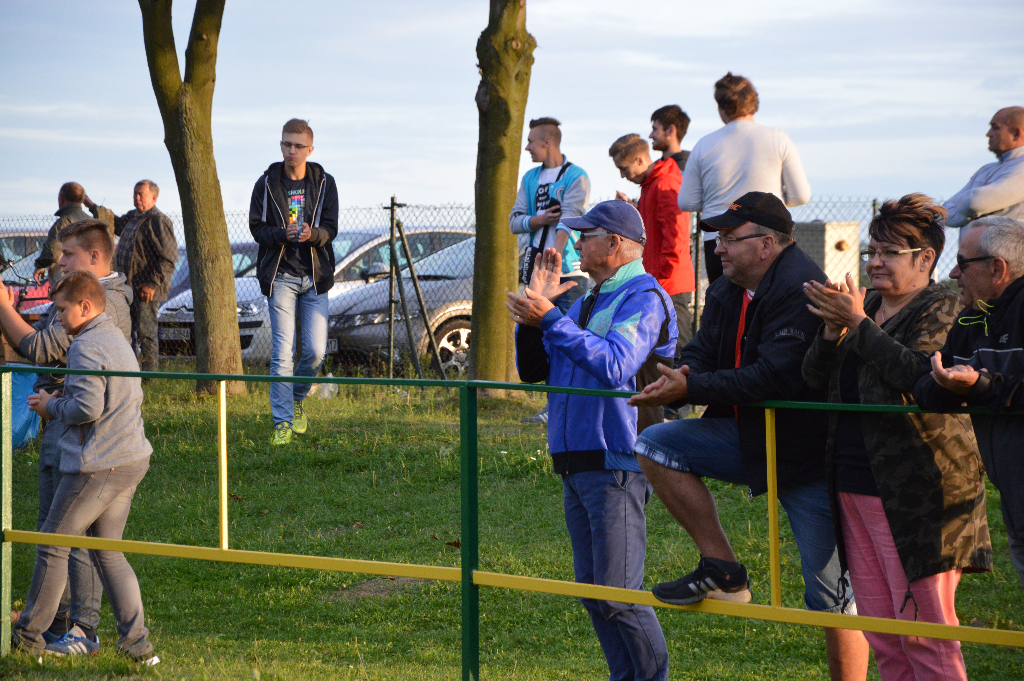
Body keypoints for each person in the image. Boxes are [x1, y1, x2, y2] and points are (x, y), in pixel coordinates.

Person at [629, 192, 869, 681]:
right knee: (655, 444)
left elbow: (777, 378)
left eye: (729, 240)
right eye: (717, 238)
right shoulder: (727, 288)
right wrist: (675, 376)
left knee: (831, 598)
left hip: (806, 455)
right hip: (750, 438)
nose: (718, 249)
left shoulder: (804, 290)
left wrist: (692, 384)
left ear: (768, 245)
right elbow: (705, 353)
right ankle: (723, 570)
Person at [802, 194, 991, 681]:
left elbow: (918, 375)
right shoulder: (860, 307)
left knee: (926, 632)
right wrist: (830, 333)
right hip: (854, 484)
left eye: (888, 252)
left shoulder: (944, 305)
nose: (875, 261)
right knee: (883, 633)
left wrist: (859, 325)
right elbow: (814, 380)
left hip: (919, 493)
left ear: (926, 258)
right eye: (871, 251)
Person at [508, 200, 674, 681]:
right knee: (594, 594)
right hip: (575, 461)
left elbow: (616, 366)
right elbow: (535, 372)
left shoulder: (644, 296)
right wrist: (532, 313)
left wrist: (552, 320)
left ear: (616, 244)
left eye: (587, 234)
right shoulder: (587, 299)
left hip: (617, 460)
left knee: (620, 596)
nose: (577, 243)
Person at [12, 270, 158, 666]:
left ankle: (28, 639)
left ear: (85, 307)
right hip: (130, 458)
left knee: (52, 542)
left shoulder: (85, 346)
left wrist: (50, 406)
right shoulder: (112, 337)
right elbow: (103, 394)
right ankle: (137, 645)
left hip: (101, 464)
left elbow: (87, 409)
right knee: (108, 552)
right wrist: (68, 392)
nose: (56, 318)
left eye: (61, 310)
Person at [0, 219, 132, 652]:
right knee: (53, 530)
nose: (60, 262)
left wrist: (4, 309)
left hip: (93, 445)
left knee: (73, 539)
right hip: (68, 431)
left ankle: (80, 629)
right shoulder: (80, 300)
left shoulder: (101, 304)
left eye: (70, 254)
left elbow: (40, 349)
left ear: (95, 257)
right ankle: (55, 620)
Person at [914, 216, 1024, 591]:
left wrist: (979, 386)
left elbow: (991, 389)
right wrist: (951, 386)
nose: (953, 274)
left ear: (997, 269)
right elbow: (926, 390)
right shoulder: (972, 318)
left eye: (963, 263)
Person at [249, 118, 339, 446]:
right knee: (281, 352)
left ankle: (298, 397)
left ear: (310, 149)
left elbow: (331, 228)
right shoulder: (266, 183)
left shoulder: (325, 183)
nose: (292, 151)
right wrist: (280, 234)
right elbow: (256, 227)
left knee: (315, 352)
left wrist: (312, 235)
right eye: (287, 144)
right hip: (281, 277)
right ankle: (282, 423)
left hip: (315, 279)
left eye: (299, 146)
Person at [678, 72, 811, 284]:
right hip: (765, 241)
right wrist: (769, 206)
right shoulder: (778, 139)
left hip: (719, 241)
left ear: (721, 108)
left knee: (725, 309)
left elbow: (686, 201)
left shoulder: (704, 144)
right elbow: (801, 195)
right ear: (754, 103)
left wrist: (717, 201)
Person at [510, 116, 592, 424]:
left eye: (531, 141)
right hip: (536, 272)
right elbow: (514, 221)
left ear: (548, 142)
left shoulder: (576, 176)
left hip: (568, 272)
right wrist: (538, 219)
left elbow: (570, 220)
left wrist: (554, 257)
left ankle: (569, 404)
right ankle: (552, 406)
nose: (527, 148)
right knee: (538, 335)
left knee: (567, 336)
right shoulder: (530, 178)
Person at [609, 134, 694, 353]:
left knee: (676, 352)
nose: (622, 175)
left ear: (639, 160)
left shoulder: (664, 183)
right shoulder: (651, 184)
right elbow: (655, 227)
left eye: (624, 168)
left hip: (669, 284)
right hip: (661, 282)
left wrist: (660, 282)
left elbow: (675, 236)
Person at [86, 180, 178, 372]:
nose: (136, 198)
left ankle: (150, 378)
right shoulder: (132, 217)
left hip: (146, 290)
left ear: (154, 197)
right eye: (135, 193)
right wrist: (90, 205)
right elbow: (112, 223)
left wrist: (152, 284)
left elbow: (169, 257)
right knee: (129, 333)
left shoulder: (158, 221)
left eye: (141, 194)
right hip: (128, 287)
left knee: (146, 334)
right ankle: (132, 374)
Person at [943, 107, 1024, 227]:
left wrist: (968, 203)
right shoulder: (986, 170)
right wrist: (973, 207)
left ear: (1016, 134)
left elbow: (975, 202)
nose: (988, 134)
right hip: (975, 246)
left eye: (995, 128)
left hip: (1007, 245)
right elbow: (945, 214)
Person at [33, 183, 89, 285]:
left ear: (61, 198)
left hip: (67, 282)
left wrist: (41, 266)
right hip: (89, 279)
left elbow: (52, 253)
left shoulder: (64, 222)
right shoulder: (91, 221)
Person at [649, 104, 691, 173]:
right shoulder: (655, 169)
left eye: (655, 129)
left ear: (670, 131)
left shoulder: (687, 170)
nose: (650, 135)